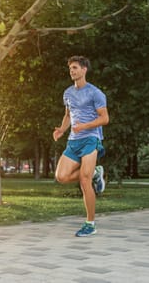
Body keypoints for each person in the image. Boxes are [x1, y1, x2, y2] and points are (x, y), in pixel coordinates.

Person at [53, 55, 109, 237]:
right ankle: (95, 173)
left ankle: (90, 223)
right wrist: (62, 129)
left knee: (84, 182)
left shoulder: (95, 93)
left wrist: (84, 126)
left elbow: (104, 118)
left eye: (75, 67)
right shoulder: (68, 93)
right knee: (61, 176)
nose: (72, 71)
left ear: (84, 70)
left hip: (90, 139)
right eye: (70, 68)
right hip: (73, 140)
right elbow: (68, 115)